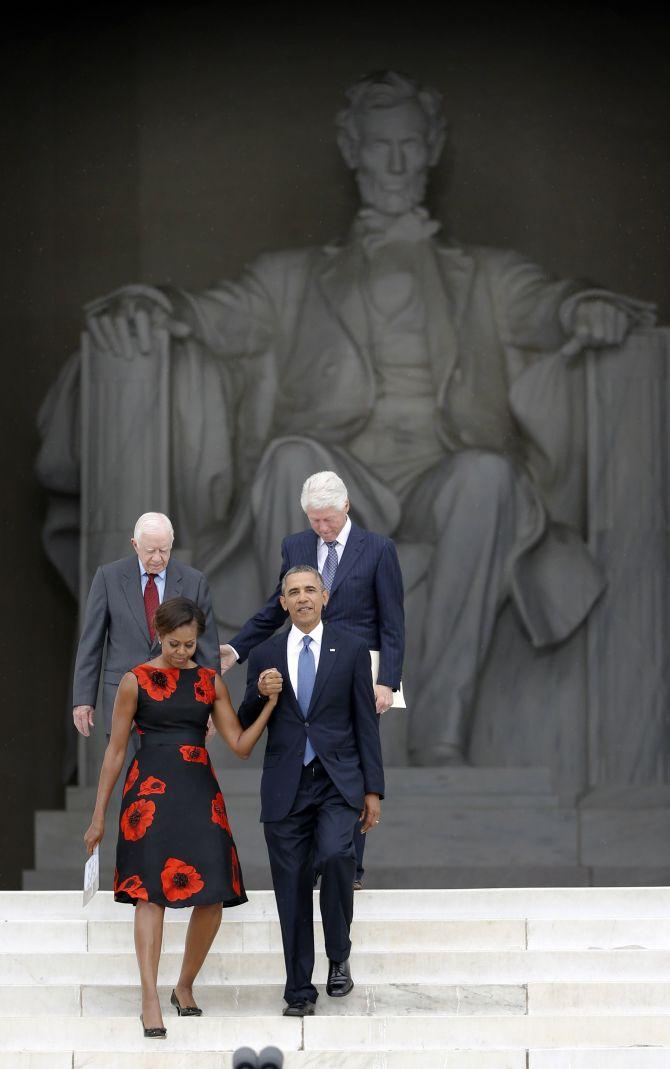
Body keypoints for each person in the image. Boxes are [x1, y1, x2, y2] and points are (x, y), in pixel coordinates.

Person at [38, 71, 655, 766]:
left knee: (489, 475)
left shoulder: (484, 276)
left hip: (441, 476)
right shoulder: (293, 278)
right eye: (380, 145)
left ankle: (441, 730)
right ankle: (303, 712)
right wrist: (153, 305)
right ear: (352, 149)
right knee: (295, 460)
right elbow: (212, 313)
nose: (395, 162)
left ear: (432, 149)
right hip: (337, 471)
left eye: (409, 145)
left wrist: (585, 311)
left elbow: (552, 304)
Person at [83, 596, 280, 1037]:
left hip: (198, 792)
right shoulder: (135, 680)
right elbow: (115, 751)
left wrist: (268, 705)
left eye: (190, 645)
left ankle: (184, 985)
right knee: (150, 894)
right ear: (159, 632)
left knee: (214, 891)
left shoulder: (211, 682)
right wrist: (98, 815)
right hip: (148, 795)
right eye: (175, 643)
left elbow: (241, 745)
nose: (183, 652)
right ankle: (149, 996)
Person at [221, 469, 404, 888]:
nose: (322, 528)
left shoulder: (378, 549)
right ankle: (312, 853)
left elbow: (393, 621)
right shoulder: (296, 546)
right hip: (304, 662)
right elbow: (276, 606)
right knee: (305, 747)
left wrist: (387, 681)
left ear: (346, 507)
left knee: (353, 756)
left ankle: (348, 866)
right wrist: (237, 648)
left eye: (328, 520)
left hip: (358, 671)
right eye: (314, 520)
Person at [237, 565, 384, 1017]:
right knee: (292, 887)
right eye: (292, 592)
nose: (301, 598)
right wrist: (262, 694)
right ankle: (299, 991)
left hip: (338, 782)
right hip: (286, 787)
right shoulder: (264, 654)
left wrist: (373, 790)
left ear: (324, 597)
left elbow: (366, 723)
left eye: (309, 590)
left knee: (339, 855)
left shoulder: (353, 648)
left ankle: (338, 953)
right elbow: (244, 722)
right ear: (282, 603)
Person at [73, 511, 220, 740]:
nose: (158, 558)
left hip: (178, 703)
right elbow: (91, 644)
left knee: (170, 774)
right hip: (123, 700)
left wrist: (211, 703)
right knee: (126, 775)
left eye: (164, 550)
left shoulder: (194, 581)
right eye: (150, 551)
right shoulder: (108, 577)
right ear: (135, 545)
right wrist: (83, 699)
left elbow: (208, 650)